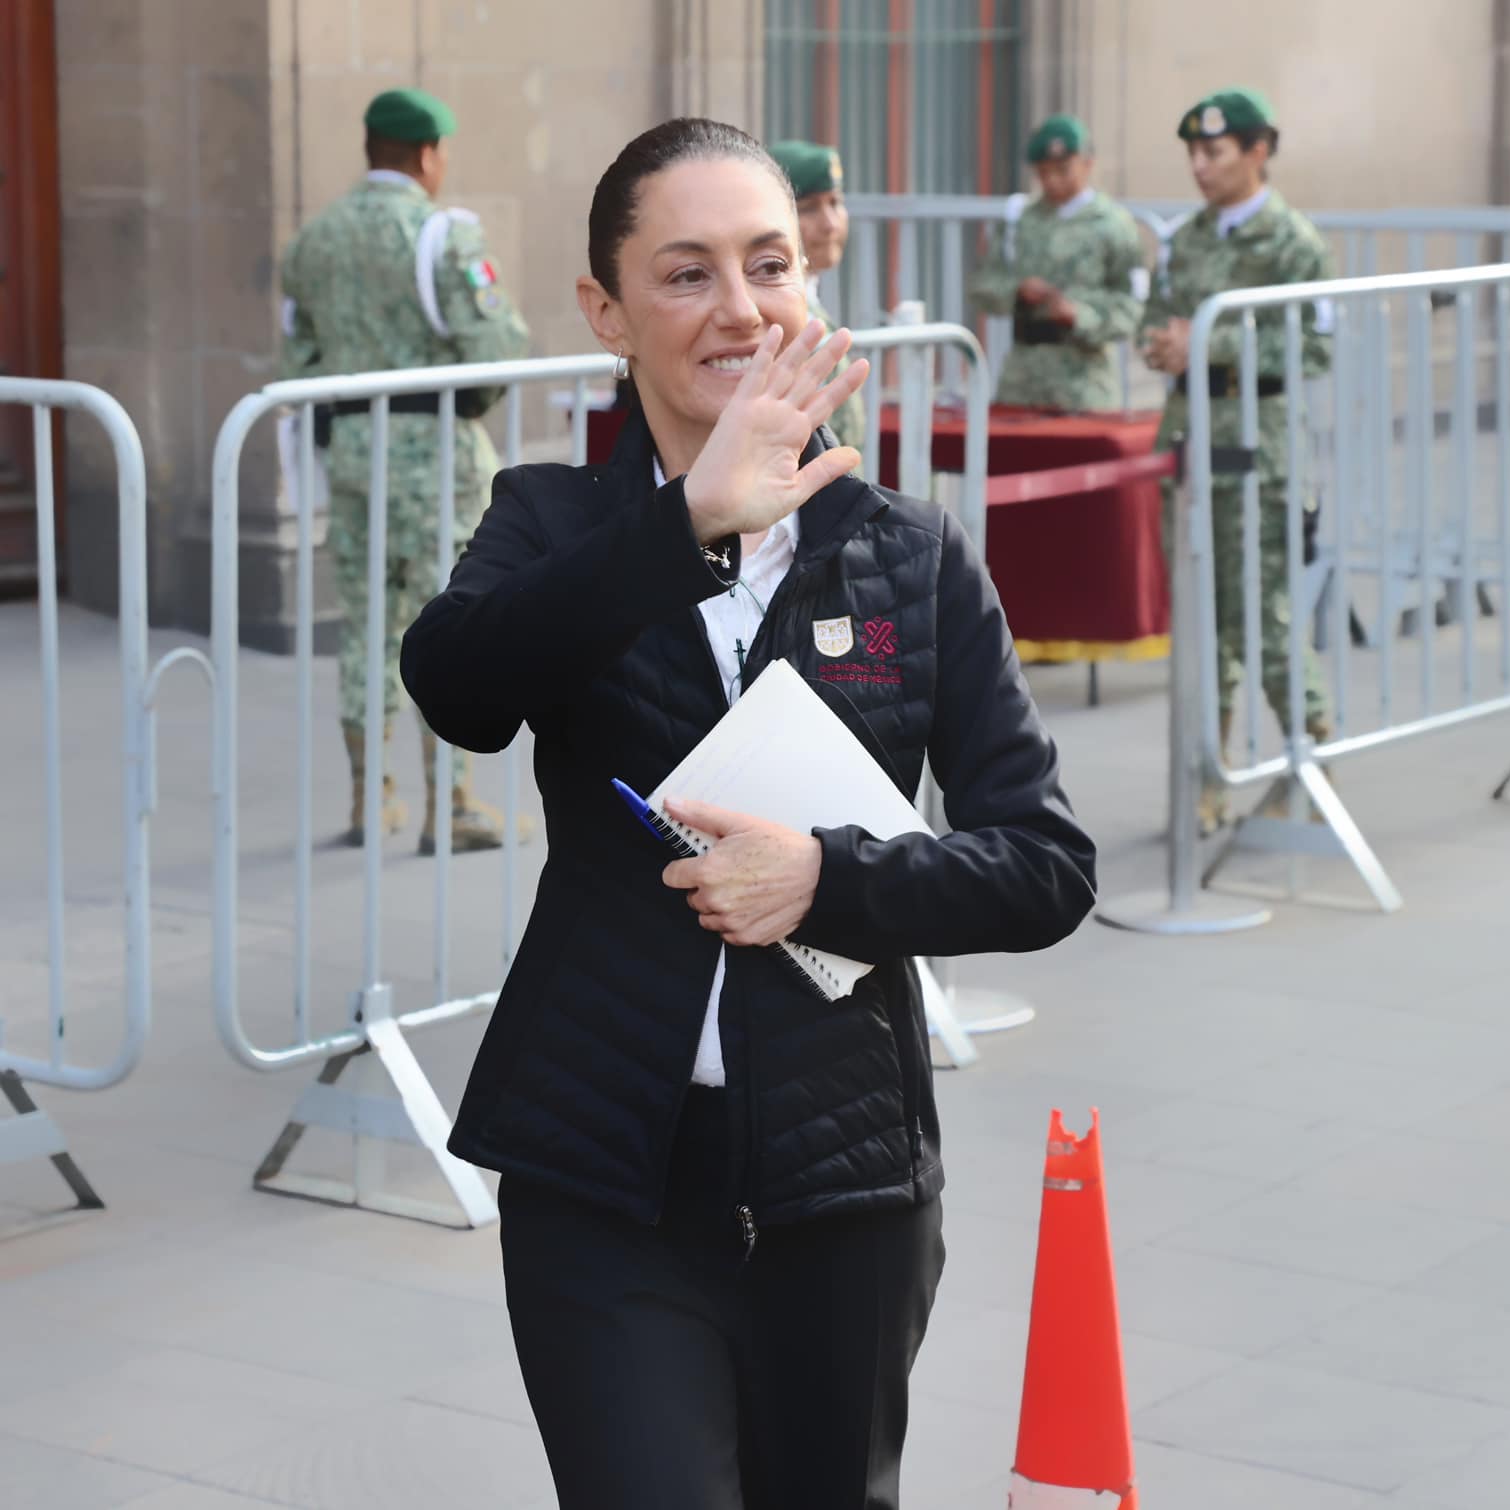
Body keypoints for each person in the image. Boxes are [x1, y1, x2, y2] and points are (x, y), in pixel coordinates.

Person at [399, 117, 1096, 1509]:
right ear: (606, 311)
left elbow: (1044, 864)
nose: (740, 307)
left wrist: (826, 879)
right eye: (686, 272)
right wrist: (681, 527)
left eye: (769, 264)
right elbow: (458, 686)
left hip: (845, 1183)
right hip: (603, 1173)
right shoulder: (551, 521)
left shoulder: (909, 553)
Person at [280, 87, 531, 853]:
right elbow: (498, 346)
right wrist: (468, 401)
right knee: (448, 625)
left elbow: (298, 357)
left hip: (354, 453)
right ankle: (450, 805)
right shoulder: (442, 235)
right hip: (436, 454)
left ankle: (370, 798)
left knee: (364, 625)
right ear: (427, 154)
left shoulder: (313, 241)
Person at [1139, 87, 1334, 834]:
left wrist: (1209, 341)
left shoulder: (1293, 242)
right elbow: (1154, 317)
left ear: (1258, 151)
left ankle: (1311, 757)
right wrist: (1162, 343)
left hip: (1260, 447)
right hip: (1191, 441)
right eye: (1193, 151)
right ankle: (1207, 778)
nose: (1199, 165)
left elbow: (1314, 344)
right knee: (1198, 620)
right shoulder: (1186, 240)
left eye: (1214, 151)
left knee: (1263, 612)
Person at [968, 113, 1151, 412]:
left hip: (1086, 381)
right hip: (1022, 379)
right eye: (1044, 172)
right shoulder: (1019, 221)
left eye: (1063, 170)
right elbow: (982, 285)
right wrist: (1018, 291)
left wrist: (1079, 315)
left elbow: (1132, 306)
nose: (1053, 180)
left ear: (1087, 164)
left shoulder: (1114, 225)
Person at [768, 139, 866, 447]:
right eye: (808, 209)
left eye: (835, 203)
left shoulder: (810, 299)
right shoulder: (770, 316)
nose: (830, 224)